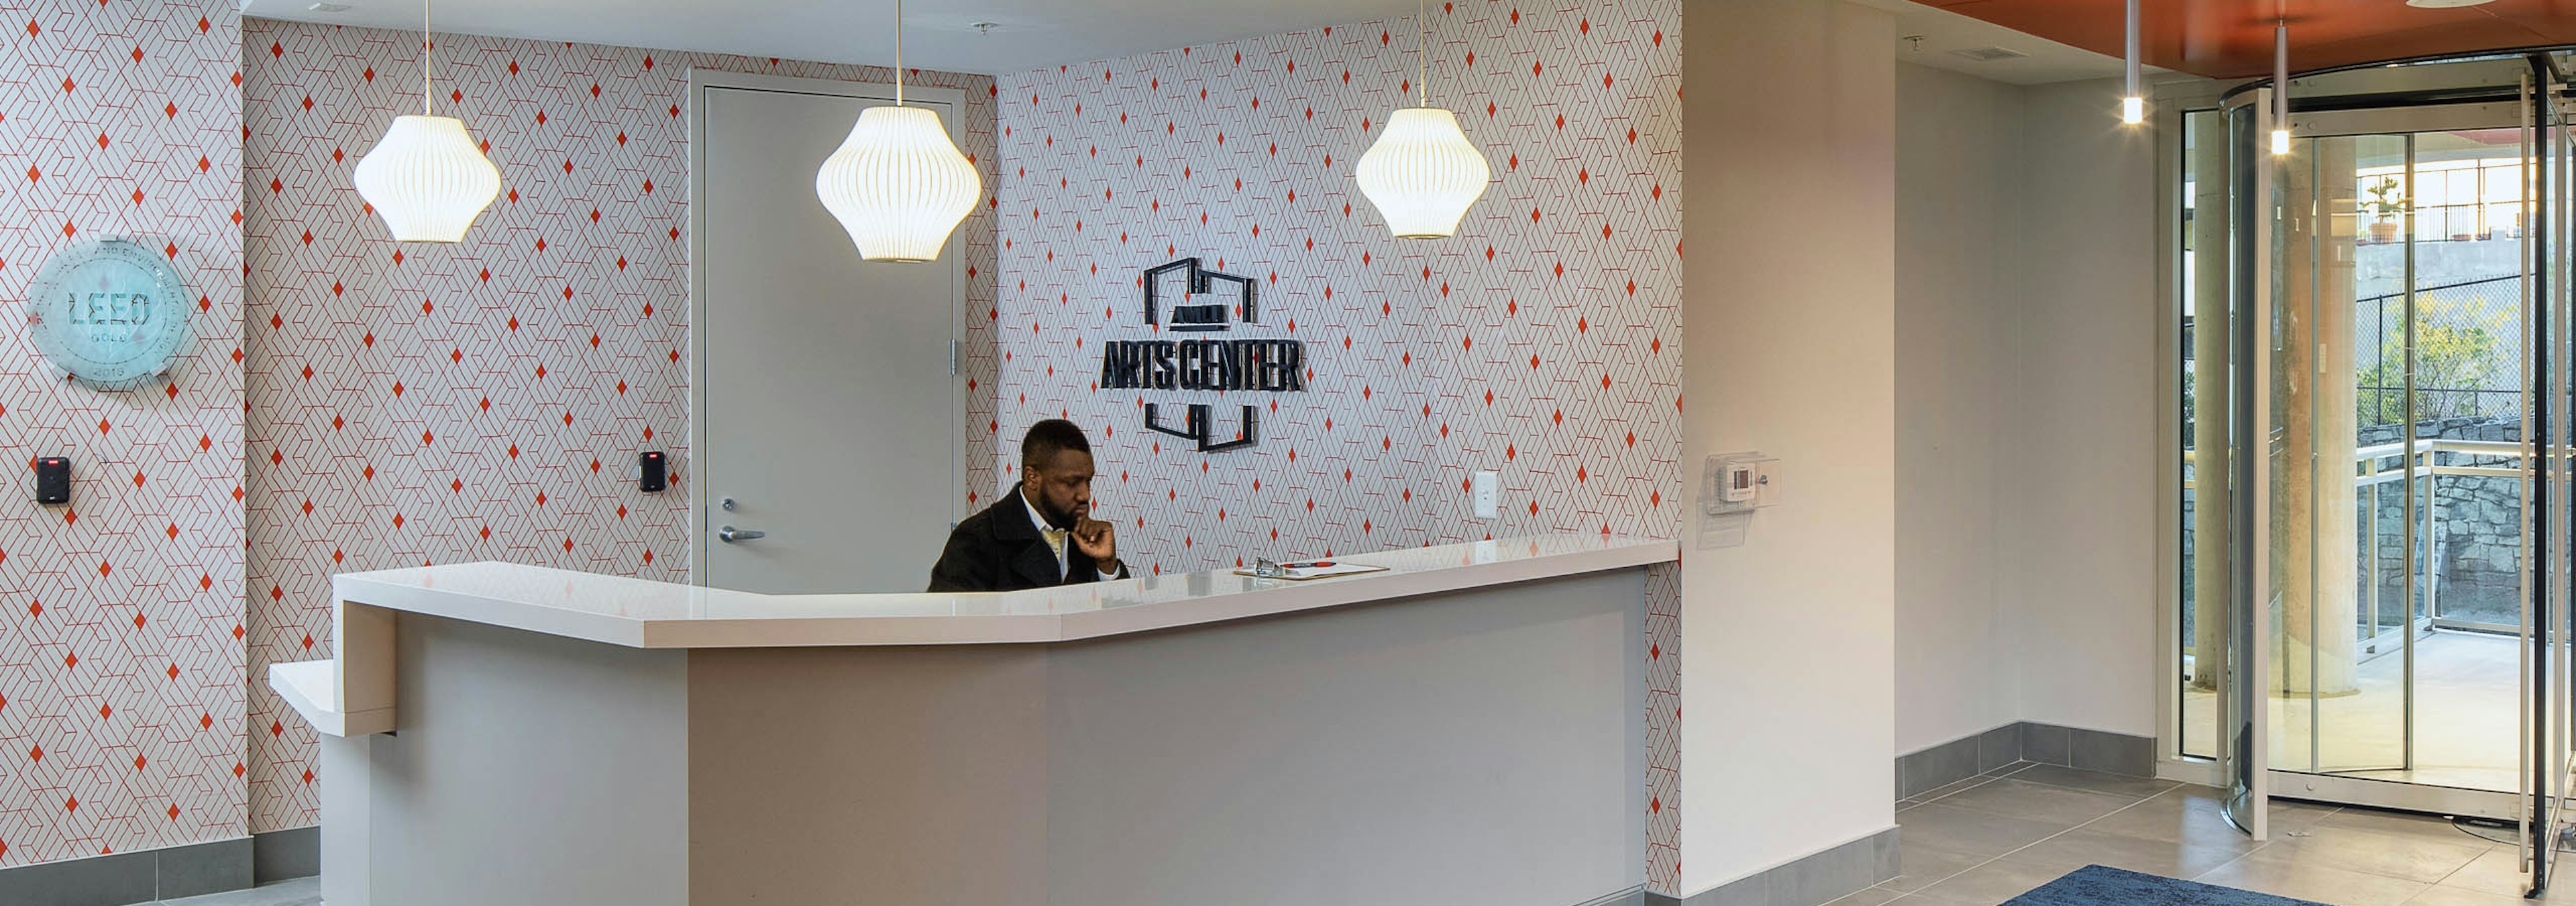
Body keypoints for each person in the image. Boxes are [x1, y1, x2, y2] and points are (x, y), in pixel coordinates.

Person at [928, 419, 1129, 591]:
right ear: (1032, 478)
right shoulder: (976, 540)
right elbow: (950, 629)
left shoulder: (1086, 540)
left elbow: (1122, 626)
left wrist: (1107, 565)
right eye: (1071, 483)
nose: (1085, 495)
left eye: (1088, 481)